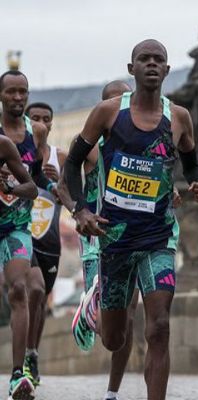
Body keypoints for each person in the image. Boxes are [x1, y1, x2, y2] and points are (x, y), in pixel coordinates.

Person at [63, 40, 198, 400]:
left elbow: (191, 161)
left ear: (167, 70)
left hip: (159, 237)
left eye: (159, 60)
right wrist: (81, 209)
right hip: (114, 239)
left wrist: (196, 182)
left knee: (159, 327)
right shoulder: (109, 113)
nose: (152, 64)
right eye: (144, 59)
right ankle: (94, 304)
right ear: (132, 69)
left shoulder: (179, 117)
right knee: (115, 338)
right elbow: (71, 165)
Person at [0, 69, 52, 400]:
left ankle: (19, 374)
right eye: (11, 92)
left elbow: (34, 183)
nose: (18, 98)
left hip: (18, 226)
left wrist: (12, 186)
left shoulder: (30, 135)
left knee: (24, 289)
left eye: (23, 92)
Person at [23, 101, 67, 388]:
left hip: (49, 241)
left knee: (39, 301)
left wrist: (60, 182)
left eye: (45, 118)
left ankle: (32, 354)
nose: (40, 122)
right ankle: (24, 359)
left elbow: (74, 198)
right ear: (27, 121)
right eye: (34, 117)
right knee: (31, 292)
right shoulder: (15, 153)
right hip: (21, 236)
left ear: (51, 124)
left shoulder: (60, 157)